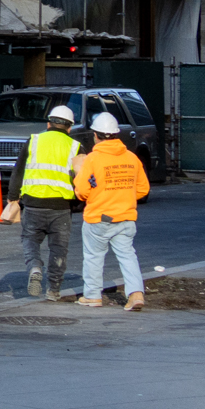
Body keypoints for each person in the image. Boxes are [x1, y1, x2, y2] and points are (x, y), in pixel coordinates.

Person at [74, 112, 150, 312]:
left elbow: (82, 191)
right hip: (125, 217)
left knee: (93, 256)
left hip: (99, 218)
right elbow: (143, 189)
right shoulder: (131, 158)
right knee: (127, 255)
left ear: (96, 135)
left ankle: (92, 296)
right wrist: (123, 196)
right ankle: (135, 294)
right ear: (116, 135)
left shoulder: (93, 159)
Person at [11, 103, 81, 300]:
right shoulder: (76, 147)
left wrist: (12, 197)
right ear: (69, 127)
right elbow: (82, 179)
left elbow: (18, 170)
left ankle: (34, 266)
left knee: (30, 239)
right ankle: (54, 290)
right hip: (61, 207)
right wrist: (77, 203)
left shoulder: (33, 141)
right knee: (59, 249)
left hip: (33, 203)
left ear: (49, 123)